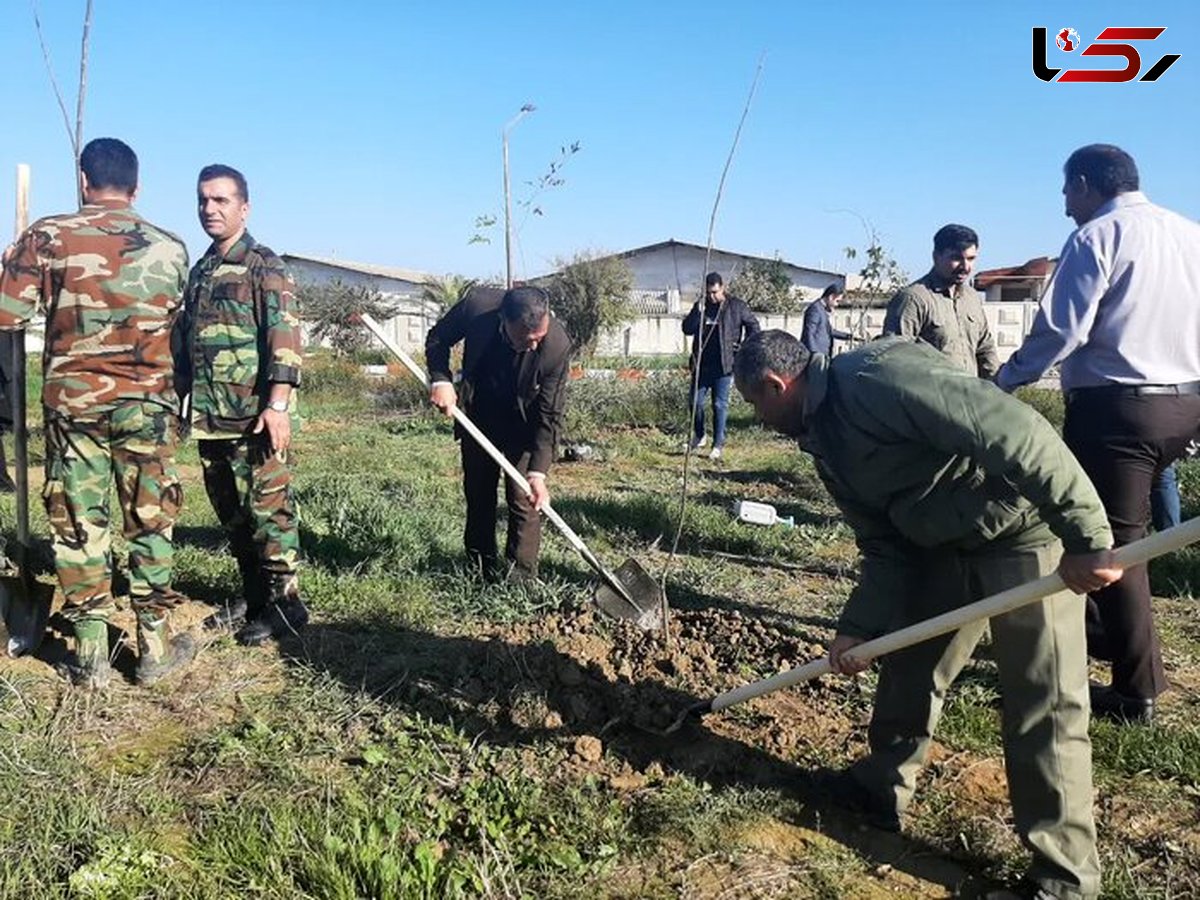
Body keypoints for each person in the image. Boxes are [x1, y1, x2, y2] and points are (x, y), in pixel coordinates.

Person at [734, 329, 1120, 900]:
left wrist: (1087, 534)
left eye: (755, 405)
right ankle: (879, 788)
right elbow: (883, 543)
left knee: (1044, 702)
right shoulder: (823, 438)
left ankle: (1064, 878)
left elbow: (1015, 428)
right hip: (940, 545)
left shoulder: (877, 381)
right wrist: (859, 627)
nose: (758, 418)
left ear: (776, 384)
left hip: (1021, 535)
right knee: (908, 666)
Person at [996, 144, 1200, 724]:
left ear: (1085, 184)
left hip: (1118, 411)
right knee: (1114, 532)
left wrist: (1006, 381)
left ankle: (1138, 692)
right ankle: (1103, 636)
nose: (1065, 207)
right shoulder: (1190, 234)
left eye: (1066, 192)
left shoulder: (1097, 236)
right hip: (1183, 405)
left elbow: (1062, 329)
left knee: (1111, 546)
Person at [0, 137, 194, 688]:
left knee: (79, 517)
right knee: (150, 517)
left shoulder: (47, 235)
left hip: (75, 405)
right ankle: (152, 644)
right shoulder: (171, 246)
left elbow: (7, 316)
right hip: (147, 404)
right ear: (137, 186)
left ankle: (90, 652)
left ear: (83, 180)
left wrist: (12, 265)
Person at [175, 164, 308, 646]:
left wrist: (278, 404)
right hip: (211, 417)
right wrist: (179, 397)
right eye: (203, 200)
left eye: (221, 200)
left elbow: (284, 336)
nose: (210, 209)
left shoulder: (264, 265)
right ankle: (253, 597)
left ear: (244, 208)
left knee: (269, 511)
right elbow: (186, 342)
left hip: (254, 417)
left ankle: (287, 605)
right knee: (231, 514)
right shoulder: (202, 270)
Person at [425, 285, 571, 581]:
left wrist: (538, 473)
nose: (532, 346)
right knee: (479, 493)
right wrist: (441, 380)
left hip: (524, 423)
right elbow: (438, 338)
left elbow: (550, 414)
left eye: (537, 339)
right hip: (479, 414)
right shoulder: (477, 308)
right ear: (504, 320)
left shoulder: (556, 345)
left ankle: (520, 580)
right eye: (524, 339)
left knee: (524, 498)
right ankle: (480, 571)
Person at [883, 224, 998, 378]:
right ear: (936, 256)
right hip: (930, 399)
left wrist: (996, 391)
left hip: (969, 398)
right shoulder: (914, 299)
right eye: (956, 258)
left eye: (971, 259)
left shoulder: (972, 298)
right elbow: (895, 359)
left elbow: (985, 349)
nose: (965, 266)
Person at [681, 272, 760, 460]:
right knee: (695, 402)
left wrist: (742, 348)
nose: (712, 297)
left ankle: (718, 444)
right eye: (708, 293)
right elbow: (687, 329)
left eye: (715, 292)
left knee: (719, 404)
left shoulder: (736, 306)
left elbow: (754, 326)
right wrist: (696, 311)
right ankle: (700, 436)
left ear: (722, 288)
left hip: (724, 365)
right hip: (702, 365)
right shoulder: (702, 306)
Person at [800, 283, 853, 357]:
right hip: (814, 356)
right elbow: (809, 333)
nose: (836, 305)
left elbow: (830, 331)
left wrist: (849, 336)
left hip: (822, 355)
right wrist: (814, 354)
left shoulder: (822, 309)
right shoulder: (815, 309)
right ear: (831, 297)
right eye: (837, 301)